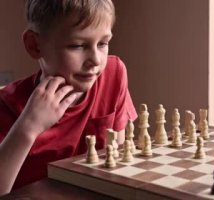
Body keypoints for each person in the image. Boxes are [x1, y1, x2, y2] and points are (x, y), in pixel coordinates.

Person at [0, 0, 137, 195]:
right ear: (34, 45)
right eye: (77, 45)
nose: (96, 60)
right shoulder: (7, 105)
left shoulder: (113, 74)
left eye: (103, 43)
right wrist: (28, 127)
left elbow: (120, 158)